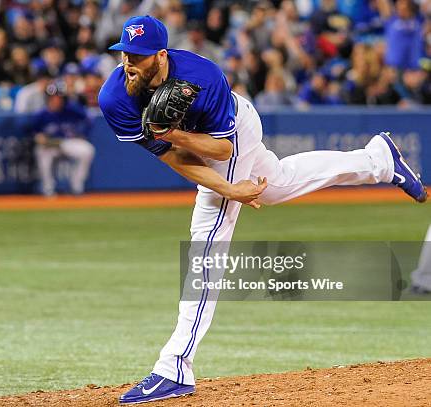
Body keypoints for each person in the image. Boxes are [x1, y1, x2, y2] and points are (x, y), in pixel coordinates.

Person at [97, 15, 427, 405]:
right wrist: (228, 188)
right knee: (279, 184)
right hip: (202, 145)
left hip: (232, 132)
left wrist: (183, 143)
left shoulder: (202, 76)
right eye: (125, 53)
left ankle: (174, 367)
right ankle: (378, 159)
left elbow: (224, 149)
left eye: (138, 54)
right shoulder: (115, 97)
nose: (129, 62)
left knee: (207, 240)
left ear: (161, 55)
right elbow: (173, 157)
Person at [32, 82, 95, 196]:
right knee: (41, 151)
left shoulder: (71, 109)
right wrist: (40, 138)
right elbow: (36, 135)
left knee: (87, 150)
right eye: (53, 98)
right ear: (47, 99)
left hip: (68, 142)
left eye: (59, 98)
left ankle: (76, 187)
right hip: (51, 145)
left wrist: (82, 133)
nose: (56, 100)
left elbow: (89, 118)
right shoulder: (41, 115)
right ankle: (48, 188)